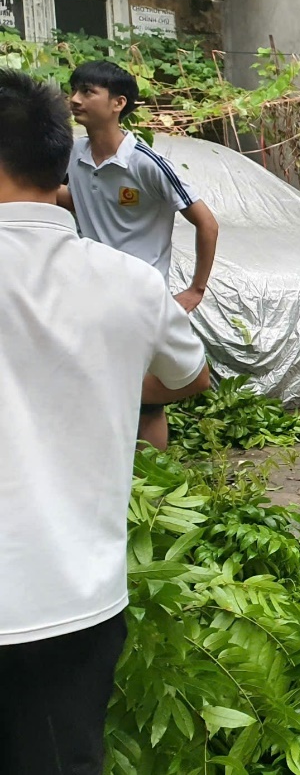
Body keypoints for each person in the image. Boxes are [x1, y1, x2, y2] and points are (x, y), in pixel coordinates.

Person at [0, 69, 211, 774]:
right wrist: (107, 379)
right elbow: (193, 376)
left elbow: (200, 217)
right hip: (76, 603)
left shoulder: (145, 163)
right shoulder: (127, 284)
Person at [59, 59, 220, 450]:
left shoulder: (145, 164)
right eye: (74, 90)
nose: (75, 100)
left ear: (118, 103)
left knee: (148, 399)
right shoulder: (73, 155)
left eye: (87, 92)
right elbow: (81, 201)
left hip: (139, 297)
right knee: (100, 383)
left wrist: (196, 290)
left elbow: (207, 223)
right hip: (91, 292)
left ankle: (151, 485)